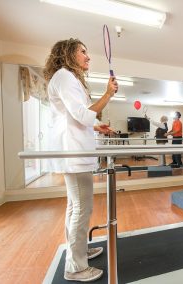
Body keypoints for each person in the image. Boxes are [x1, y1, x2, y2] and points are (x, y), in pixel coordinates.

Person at [44, 38, 118, 282]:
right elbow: (80, 115)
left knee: (74, 207)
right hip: (73, 153)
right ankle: (75, 268)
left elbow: (77, 117)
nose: (88, 56)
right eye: (83, 52)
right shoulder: (65, 77)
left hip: (74, 151)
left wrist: (97, 127)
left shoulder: (67, 78)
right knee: (81, 208)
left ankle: (78, 252)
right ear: (68, 54)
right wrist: (108, 94)